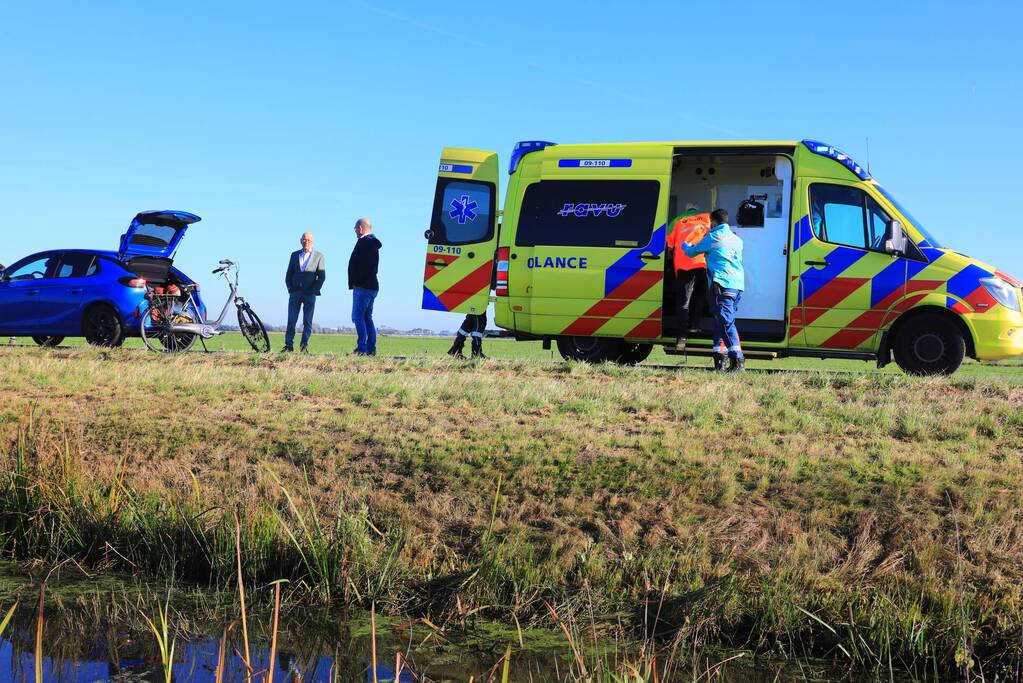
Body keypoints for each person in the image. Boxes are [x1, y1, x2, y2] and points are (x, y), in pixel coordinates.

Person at [681, 208, 745, 372]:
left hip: (721, 284)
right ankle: (719, 359)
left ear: (713, 222)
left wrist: (684, 244)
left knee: (724, 322)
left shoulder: (713, 236)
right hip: (737, 285)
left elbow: (690, 252)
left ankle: (737, 361)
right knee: (720, 322)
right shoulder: (736, 239)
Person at [665, 206, 710, 350]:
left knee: (684, 301)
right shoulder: (707, 217)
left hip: (684, 265)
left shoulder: (677, 220)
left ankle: (682, 335)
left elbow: (669, 246)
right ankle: (695, 326)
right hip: (702, 263)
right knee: (699, 297)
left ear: (686, 211)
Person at [283, 232, 325, 352]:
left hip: (310, 294)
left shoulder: (319, 256)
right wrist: (290, 288)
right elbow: (288, 274)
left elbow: (321, 277)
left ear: (313, 242)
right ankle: (288, 345)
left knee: (307, 322)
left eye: (309, 240)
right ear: (301, 241)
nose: (306, 242)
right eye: (304, 240)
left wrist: (314, 290)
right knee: (291, 320)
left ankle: (303, 346)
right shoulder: (294, 255)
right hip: (295, 293)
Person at [348, 217, 382, 355]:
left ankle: (362, 347)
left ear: (361, 228)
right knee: (367, 317)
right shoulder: (371, 243)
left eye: (356, 228)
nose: (355, 231)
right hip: (371, 286)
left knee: (357, 316)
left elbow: (366, 266)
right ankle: (371, 348)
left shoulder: (366, 243)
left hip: (364, 287)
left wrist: (358, 282)